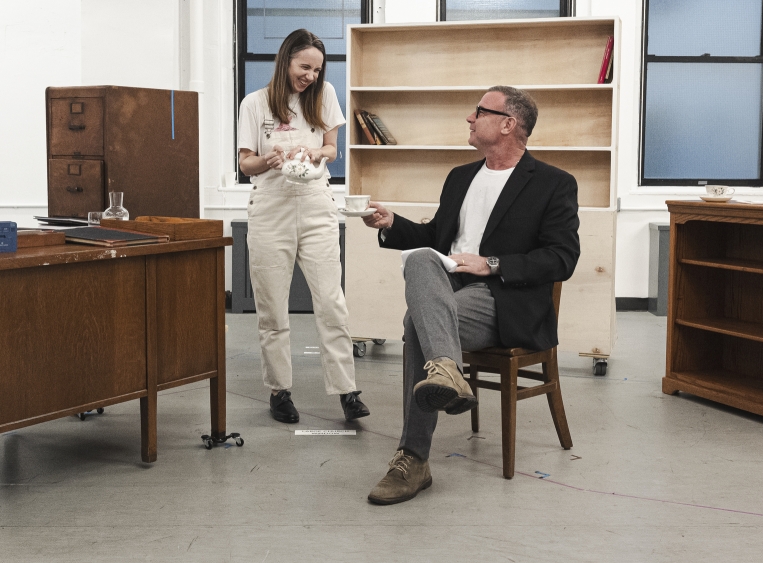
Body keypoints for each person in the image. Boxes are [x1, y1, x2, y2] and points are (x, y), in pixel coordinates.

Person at [359, 86, 580, 504]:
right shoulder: (461, 176)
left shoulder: (553, 183)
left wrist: (491, 263)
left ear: (507, 123)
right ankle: (447, 369)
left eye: (479, 111)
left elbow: (561, 258)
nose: (469, 117)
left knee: (415, 323)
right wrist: (392, 223)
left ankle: (413, 457)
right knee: (421, 258)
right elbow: (435, 238)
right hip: (451, 289)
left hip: (503, 299)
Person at [237, 29, 370, 423]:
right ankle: (280, 391)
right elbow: (246, 163)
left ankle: (347, 391)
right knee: (273, 308)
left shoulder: (324, 95)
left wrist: (316, 152)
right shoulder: (254, 103)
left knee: (331, 303)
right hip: (270, 208)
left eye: (317, 69)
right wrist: (268, 160)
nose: (311, 75)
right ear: (285, 61)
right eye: (304, 67)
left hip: (315, 206)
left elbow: (331, 149)